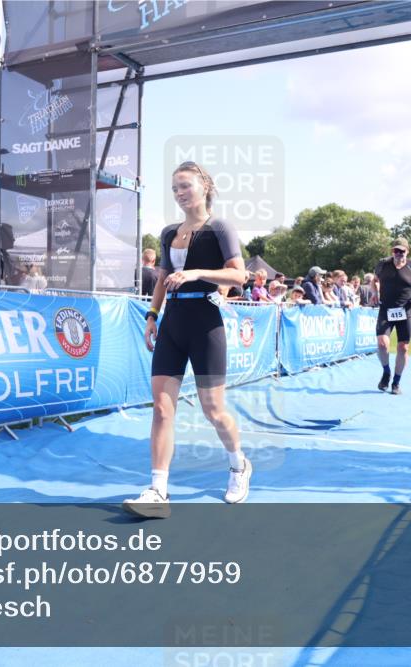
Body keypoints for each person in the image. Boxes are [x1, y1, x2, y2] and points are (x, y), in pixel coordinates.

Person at [123, 161, 250, 519]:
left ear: (204, 186)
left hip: (205, 323)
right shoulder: (167, 233)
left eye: (186, 186)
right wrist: (152, 315)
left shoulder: (220, 227)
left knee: (213, 410)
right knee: (162, 409)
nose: (179, 193)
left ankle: (238, 465)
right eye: (175, 188)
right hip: (172, 324)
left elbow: (239, 274)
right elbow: (163, 278)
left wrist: (196, 273)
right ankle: (158, 490)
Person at [373, 237, 411, 395]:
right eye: (395, 251)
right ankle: (386, 372)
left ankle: (396, 382)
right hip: (386, 309)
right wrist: (374, 292)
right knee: (382, 344)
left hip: (405, 311)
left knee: (403, 347)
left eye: (401, 251)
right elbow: (375, 280)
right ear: (392, 251)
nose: (398, 253)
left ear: (407, 251)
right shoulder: (383, 264)